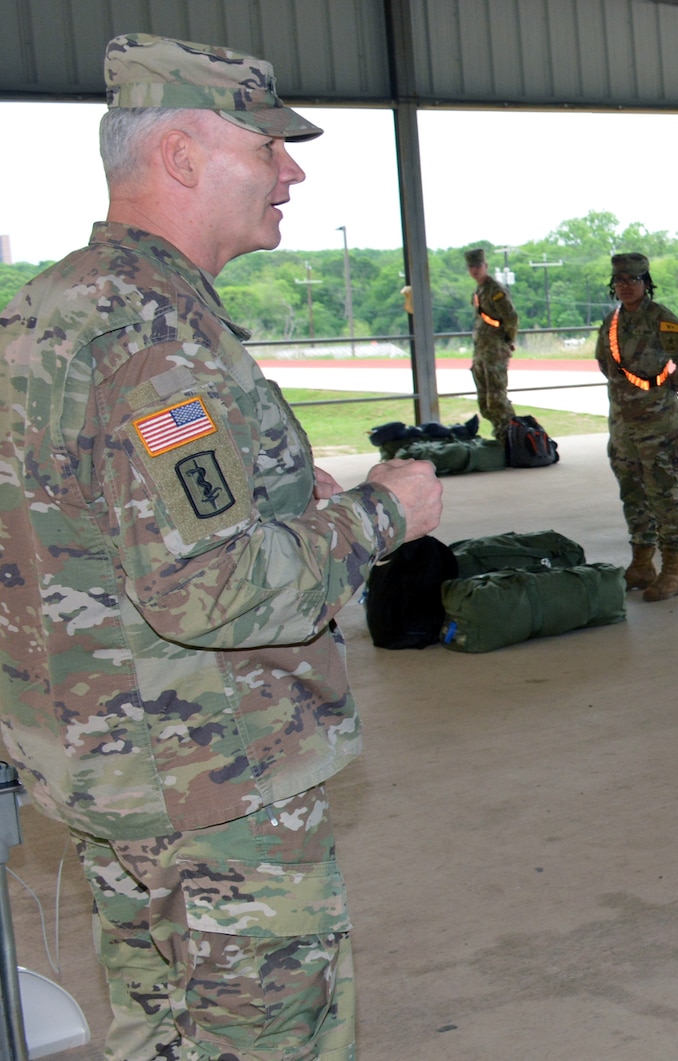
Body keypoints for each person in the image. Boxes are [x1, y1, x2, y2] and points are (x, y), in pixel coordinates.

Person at [0, 33, 444, 1060]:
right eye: (268, 146)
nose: (293, 170)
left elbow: (80, 523)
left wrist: (285, 495)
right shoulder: (158, 337)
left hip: (113, 775)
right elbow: (212, 588)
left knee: (161, 1034)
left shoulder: (47, 310)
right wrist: (383, 511)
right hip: (211, 785)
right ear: (183, 156)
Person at [596, 252, 678, 600]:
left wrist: (664, 388)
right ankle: (642, 563)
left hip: (658, 426)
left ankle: (674, 570)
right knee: (633, 494)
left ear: (646, 283)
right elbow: (604, 363)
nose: (626, 286)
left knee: (665, 494)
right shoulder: (611, 323)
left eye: (633, 279)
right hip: (623, 428)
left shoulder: (661, 319)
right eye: (620, 281)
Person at [467, 246, 519, 438]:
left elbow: (511, 318)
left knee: (497, 400)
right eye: (471, 266)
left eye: (478, 266)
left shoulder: (495, 290)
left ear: (485, 266)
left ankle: (512, 436)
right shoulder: (478, 291)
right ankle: (502, 436)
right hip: (481, 352)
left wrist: (508, 340)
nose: (474, 270)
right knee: (485, 403)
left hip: (495, 351)